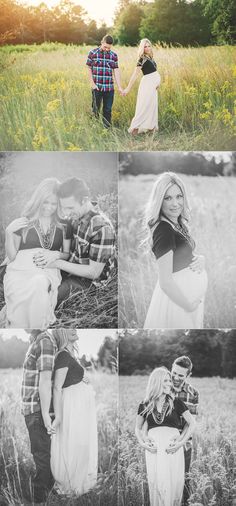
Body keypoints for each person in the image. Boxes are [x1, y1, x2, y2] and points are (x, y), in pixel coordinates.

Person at [2, 178, 72, 329]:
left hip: (47, 270)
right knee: (23, 291)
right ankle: (19, 327)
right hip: (19, 271)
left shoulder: (65, 225)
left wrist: (56, 254)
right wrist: (8, 233)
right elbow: (12, 256)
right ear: (39, 200)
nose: (49, 207)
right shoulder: (25, 221)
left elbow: (66, 253)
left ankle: (37, 328)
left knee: (39, 282)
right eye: (45, 202)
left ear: (59, 204)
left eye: (53, 204)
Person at [35, 177, 116, 306]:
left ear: (84, 201)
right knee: (34, 285)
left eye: (70, 208)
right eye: (64, 208)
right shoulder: (75, 217)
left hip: (87, 283)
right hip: (68, 270)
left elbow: (94, 272)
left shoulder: (101, 227)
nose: (66, 213)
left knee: (45, 299)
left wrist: (57, 263)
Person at [143, 172, 208, 329]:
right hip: (177, 302)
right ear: (159, 200)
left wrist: (201, 259)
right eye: (168, 198)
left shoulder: (176, 223)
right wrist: (188, 306)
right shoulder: (163, 229)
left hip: (185, 299)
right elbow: (165, 281)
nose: (175, 203)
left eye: (179, 196)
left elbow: (182, 256)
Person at [135, 367, 196, 506]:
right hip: (153, 451)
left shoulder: (177, 403)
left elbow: (192, 424)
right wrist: (142, 443)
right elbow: (137, 428)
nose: (170, 383)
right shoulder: (145, 404)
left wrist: (181, 443)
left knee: (173, 485)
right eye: (166, 381)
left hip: (173, 450)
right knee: (157, 484)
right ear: (157, 382)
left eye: (169, 381)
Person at [50, 329, 97, 496]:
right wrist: (59, 416)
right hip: (72, 406)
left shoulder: (69, 355)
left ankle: (79, 482)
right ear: (61, 333)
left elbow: (70, 378)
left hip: (79, 406)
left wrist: (82, 378)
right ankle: (70, 486)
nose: (74, 329)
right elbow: (57, 387)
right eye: (68, 328)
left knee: (80, 442)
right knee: (74, 442)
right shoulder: (63, 355)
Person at [21, 329, 61, 505]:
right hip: (31, 410)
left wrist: (45, 414)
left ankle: (39, 500)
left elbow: (46, 380)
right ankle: (50, 495)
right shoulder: (35, 340)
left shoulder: (44, 341)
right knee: (41, 453)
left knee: (41, 456)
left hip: (37, 410)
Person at [171, 356, 199, 506]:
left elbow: (190, 424)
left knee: (184, 482)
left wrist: (179, 442)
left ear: (188, 375)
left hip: (185, 445)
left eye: (180, 375)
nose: (175, 377)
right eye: (173, 373)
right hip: (164, 444)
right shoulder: (161, 386)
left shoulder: (193, 393)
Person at [124, 38, 161, 135]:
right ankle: (134, 129)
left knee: (152, 106)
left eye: (149, 46)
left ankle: (151, 128)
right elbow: (135, 74)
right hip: (147, 86)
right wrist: (128, 88)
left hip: (153, 87)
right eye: (145, 46)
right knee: (144, 106)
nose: (148, 48)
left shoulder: (150, 57)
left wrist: (157, 83)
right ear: (142, 48)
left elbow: (154, 72)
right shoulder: (142, 59)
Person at [86, 34, 123, 127]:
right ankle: (95, 127)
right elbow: (88, 68)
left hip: (109, 88)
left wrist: (119, 87)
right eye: (105, 47)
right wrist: (92, 83)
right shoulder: (92, 53)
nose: (107, 49)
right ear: (101, 42)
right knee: (95, 109)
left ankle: (106, 129)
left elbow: (116, 71)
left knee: (107, 110)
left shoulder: (113, 55)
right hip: (97, 87)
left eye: (109, 48)